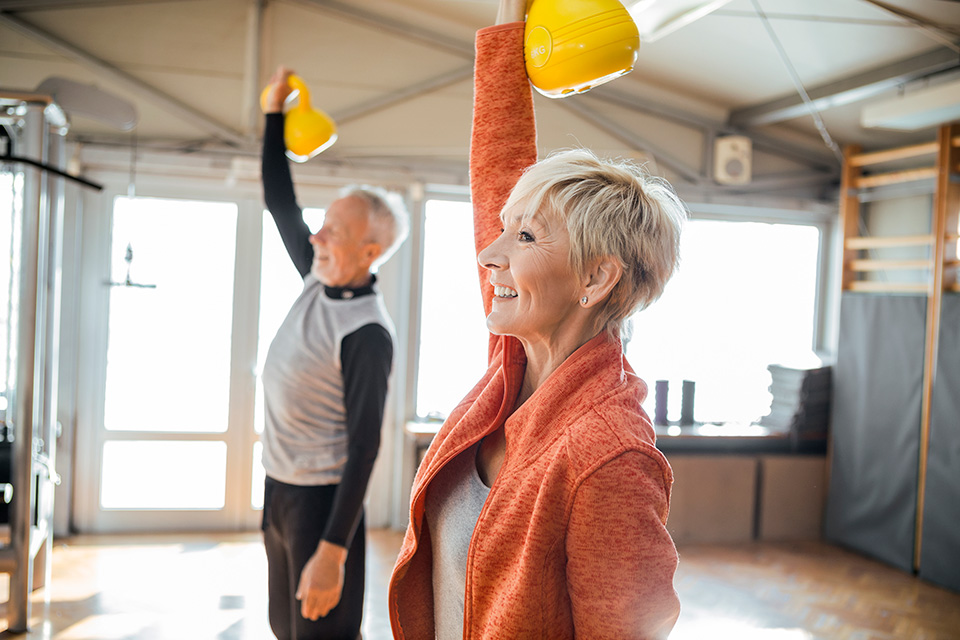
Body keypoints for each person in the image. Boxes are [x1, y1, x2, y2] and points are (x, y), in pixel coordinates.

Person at [387, 0, 685, 637]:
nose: (488, 255)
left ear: (595, 276)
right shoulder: (513, 363)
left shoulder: (610, 455)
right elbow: (497, 161)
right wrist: (508, 12)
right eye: (504, 230)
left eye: (523, 238)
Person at [259, 66, 408, 640]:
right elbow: (279, 200)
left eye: (333, 232)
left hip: (322, 506)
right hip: (278, 488)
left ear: (369, 251)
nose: (316, 237)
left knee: (323, 634)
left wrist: (332, 552)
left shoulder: (367, 332)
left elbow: (365, 447)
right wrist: (274, 114)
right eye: (320, 227)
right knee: (285, 629)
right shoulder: (317, 276)